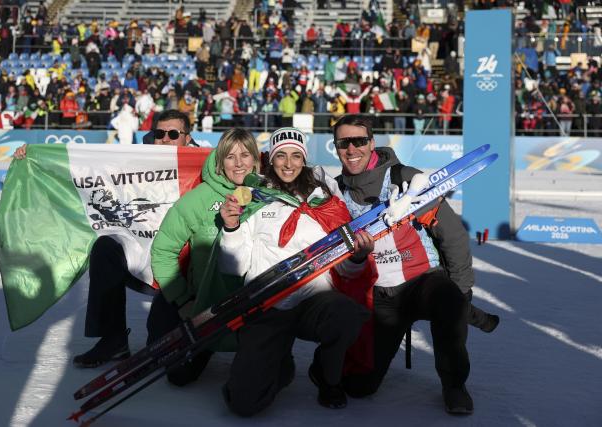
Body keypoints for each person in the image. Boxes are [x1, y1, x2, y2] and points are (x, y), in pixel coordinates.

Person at [332, 114, 498, 415]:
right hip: (379, 294)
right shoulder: (336, 193)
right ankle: (469, 314)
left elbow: (452, 233)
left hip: (423, 280)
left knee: (449, 301)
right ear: (335, 147)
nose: (351, 149)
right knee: (359, 387)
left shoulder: (404, 177)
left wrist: (461, 291)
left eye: (359, 141)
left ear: (372, 143)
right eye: (344, 143)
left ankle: (455, 385)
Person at [14, 110, 200, 367]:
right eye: (159, 134)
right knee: (105, 247)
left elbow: (239, 165)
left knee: (162, 351)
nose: (165, 140)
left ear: (188, 138)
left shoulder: (205, 161)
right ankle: (113, 339)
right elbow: (85, 168)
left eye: (173, 134)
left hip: (181, 262)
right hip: (142, 251)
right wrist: (34, 156)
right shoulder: (132, 158)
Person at [217, 127, 376, 416]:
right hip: (268, 304)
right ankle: (280, 365)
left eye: (295, 156)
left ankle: (327, 375)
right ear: (271, 159)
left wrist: (357, 257)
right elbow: (234, 266)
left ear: (304, 160)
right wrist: (231, 228)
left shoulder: (325, 200)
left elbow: (345, 269)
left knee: (346, 314)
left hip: (313, 301)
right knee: (243, 403)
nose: (288, 164)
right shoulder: (254, 197)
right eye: (281, 156)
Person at [147, 127, 261, 386]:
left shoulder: (266, 198)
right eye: (230, 157)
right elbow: (163, 250)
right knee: (178, 375)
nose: (239, 163)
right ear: (220, 162)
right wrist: (183, 300)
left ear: (255, 159)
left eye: (245, 155)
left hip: (252, 307)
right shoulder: (198, 199)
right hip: (204, 307)